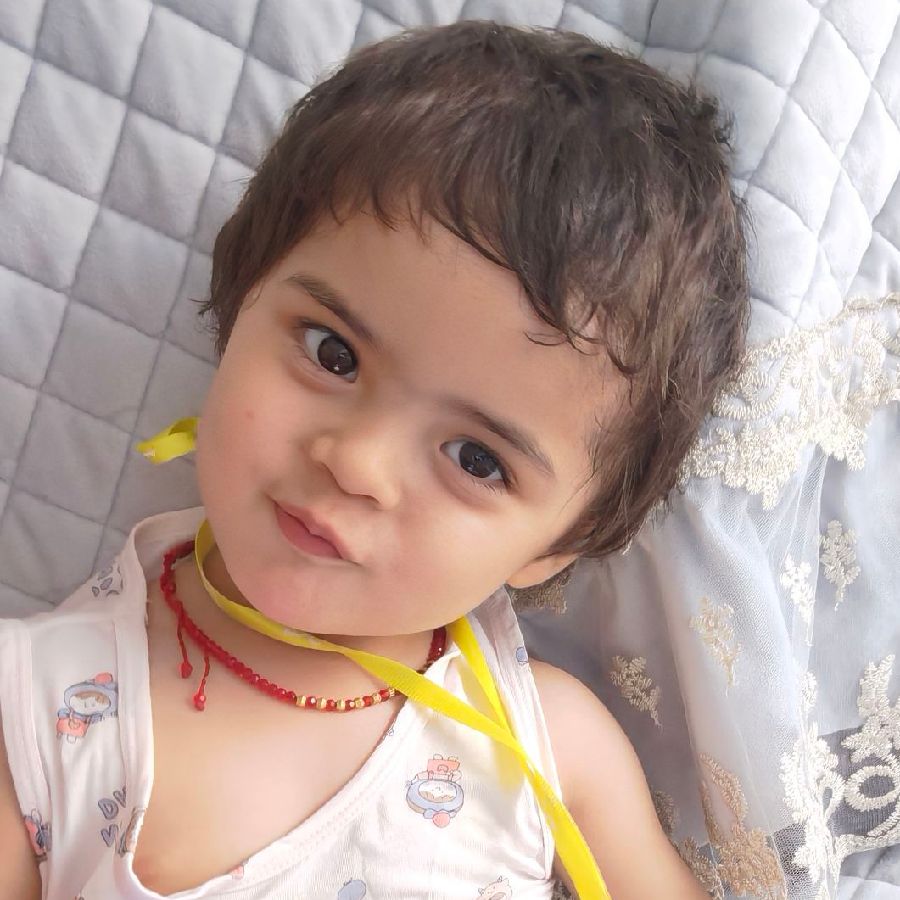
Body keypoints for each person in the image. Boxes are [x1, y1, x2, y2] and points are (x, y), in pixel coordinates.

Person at [0, 20, 749, 900]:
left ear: (563, 542)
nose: (356, 464)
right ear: (242, 299)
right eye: (333, 354)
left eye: (476, 459)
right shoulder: (41, 707)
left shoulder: (551, 750)